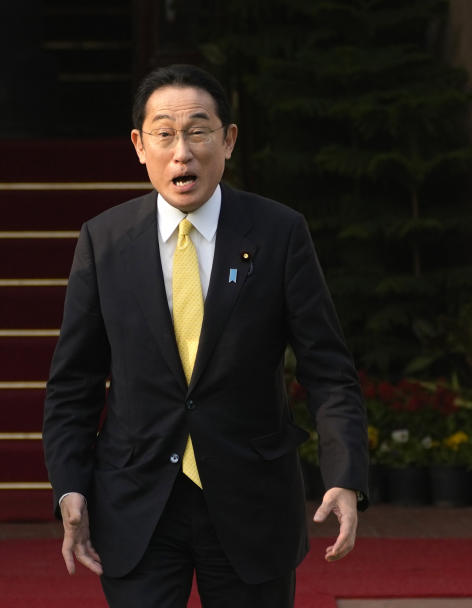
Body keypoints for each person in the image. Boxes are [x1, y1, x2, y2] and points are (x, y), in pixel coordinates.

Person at [42, 64, 368, 607]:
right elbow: (74, 383)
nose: (182, 151)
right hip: (138, 500)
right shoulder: (105, 240)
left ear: (229, 139)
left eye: (198, 131)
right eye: (164, 133)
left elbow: (329, 371)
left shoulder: (278, 232)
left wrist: (345, 474)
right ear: (139, 146)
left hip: (251, 500)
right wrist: (69, 487)